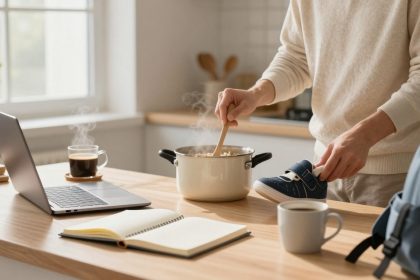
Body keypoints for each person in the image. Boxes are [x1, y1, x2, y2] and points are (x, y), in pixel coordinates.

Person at [215, 0, 420, 207]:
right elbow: (296, 58)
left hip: (397, 175)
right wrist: (256, 94)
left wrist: (365, 135)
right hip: (323, 171)